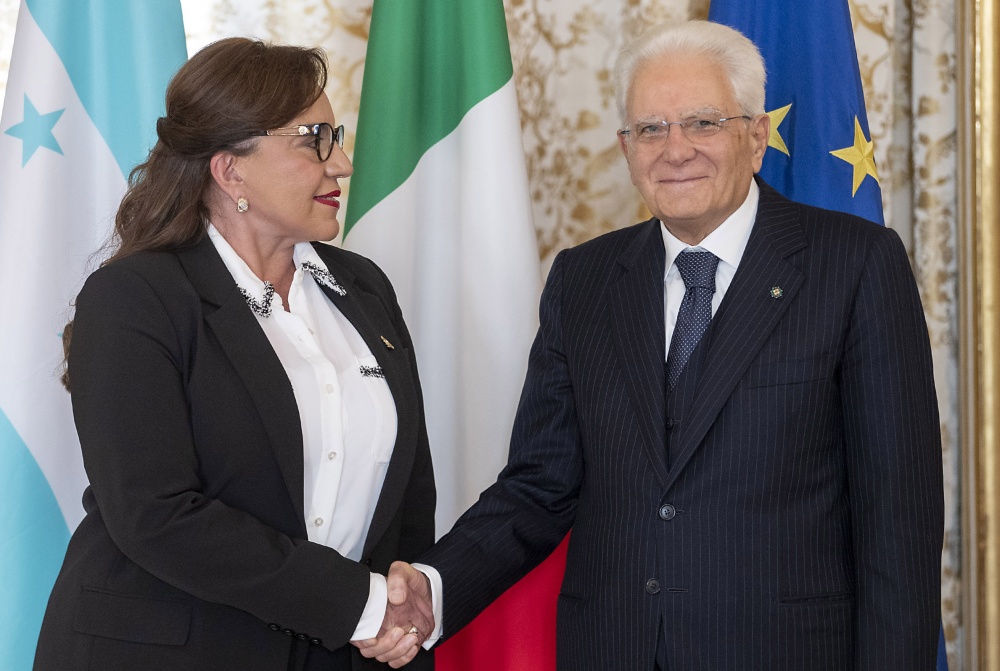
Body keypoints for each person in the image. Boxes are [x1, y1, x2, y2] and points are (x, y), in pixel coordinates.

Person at [359, 19, 944, 671]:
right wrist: (434, 586)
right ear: (626, 147)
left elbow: (898, 521)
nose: (676, 149)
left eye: (702, 123)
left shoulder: (855, 264)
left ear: (755, 136)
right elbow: (540, 485)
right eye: (650, 129)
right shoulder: (582, 280)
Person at [34, 38, 435, 671]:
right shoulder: (136, 297)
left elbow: (408, 494)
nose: (343, 164)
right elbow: (155, 514)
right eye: (315, 139)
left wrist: (404, 604)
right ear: (230, 169)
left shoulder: (365, 288)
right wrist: (356, 603)